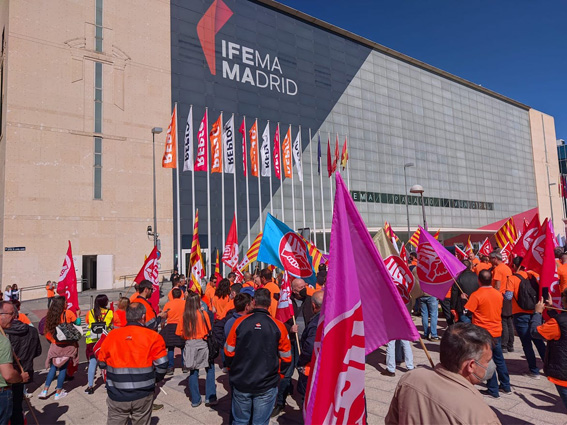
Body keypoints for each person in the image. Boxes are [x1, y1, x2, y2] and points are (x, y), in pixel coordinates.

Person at [385, 322, 500, 425]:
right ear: (471, 365)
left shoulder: (410, 378)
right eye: (488, 361)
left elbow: (391, 421)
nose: (490, 365)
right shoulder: (483, 417)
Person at [224, 288, 292, 425]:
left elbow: (228, 352)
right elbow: (287, 358)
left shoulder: (239, 322)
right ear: (269, 304)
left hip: (242, 381)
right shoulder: (278, 326)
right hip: (266, 384)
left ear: (254, 302)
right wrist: (280, 375)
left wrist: (233, 370)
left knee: (240, 421)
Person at [97, 302, 168, 425]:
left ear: (127, 316)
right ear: (143, 317)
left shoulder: (112, 336)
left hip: (117, 393)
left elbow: (101, 363)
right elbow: (162, 365)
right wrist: (155, 378)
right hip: (143, 393)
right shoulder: (153, 336)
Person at [464, 270, 511, 398]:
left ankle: (493, 389)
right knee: (499, 359)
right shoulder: (498, 294)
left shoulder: (477, 294)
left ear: (479, 280)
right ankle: (506, 385)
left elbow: (467, 312)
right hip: (496, 330)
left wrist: (466, 300)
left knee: (487, 360)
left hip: (483, 333)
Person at [272, 278, 313, 416]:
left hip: (306, 344)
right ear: (294, 290)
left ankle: (305, 402)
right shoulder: (286, 301)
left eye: (304, 285)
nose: (304, 288)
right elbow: (279, 321)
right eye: (301, 286)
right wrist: (289, 328)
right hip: (291, 344)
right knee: (286, 374)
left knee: (306, 374)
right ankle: (280, 403)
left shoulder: (310, 299)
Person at [505, 257, 546, 377]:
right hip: (536, 312)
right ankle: (548, 368)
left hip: (520, 314)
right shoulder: (533, 275)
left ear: (514, 266)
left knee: (527, 344)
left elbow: (508, 297)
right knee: (539, 341)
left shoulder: (512, 279)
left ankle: (534, 371)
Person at [177, 291, 217, 407]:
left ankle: (195, 399)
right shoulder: (203, 314)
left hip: (190, 344)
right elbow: (209, 329)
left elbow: (180, 333)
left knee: (193, 371)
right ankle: (210, 397)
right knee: (210, 368)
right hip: (203, 343)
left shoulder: (184, 316)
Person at [530, 289, 567, 409]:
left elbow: (535, 332)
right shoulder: (559, 321)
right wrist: (551, 311)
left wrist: (537, 313)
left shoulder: (558, 322)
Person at [38, 296, 80, 400]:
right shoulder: (68, 313)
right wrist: (78, 315)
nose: (67, 303)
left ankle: (45, 390)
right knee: (63, 368)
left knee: (53, 367)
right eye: (65, 302)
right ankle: (58, 392)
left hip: (55, 344)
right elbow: (77, 323)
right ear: (63, 304)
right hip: (67, 345)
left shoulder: (51, 316)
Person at [1, 302, 33, 425]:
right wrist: (21, 378)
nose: (14, 317)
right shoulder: (3, 341)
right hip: (3, 392)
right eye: (11, 314)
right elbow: (8, 375)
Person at [296, 291, 323, 407]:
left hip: (313, 369)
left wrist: (301, 360)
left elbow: (310, 347)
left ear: (313, 305)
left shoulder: (317, 323)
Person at [84, 294, 114, 395]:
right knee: (106, 362)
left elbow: (87, 322)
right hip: (104, 340)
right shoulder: (110, 313)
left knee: (92, 363)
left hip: (92, 341)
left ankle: (90, 386)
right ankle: (107, 383)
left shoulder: (90, 312)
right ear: (105, 302)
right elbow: (111, 324)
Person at [490, 250, 514, 352]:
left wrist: (494, 298)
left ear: (495, 259)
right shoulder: (507, 267)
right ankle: (510, 344)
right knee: (509, 321)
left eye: (490, 258)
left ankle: (504, 345)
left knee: (503, 322)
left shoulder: (498, 269)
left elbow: (497, 285)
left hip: (501, 297)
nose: (489, 261)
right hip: (508, 296)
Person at [161, 288, 186, 375]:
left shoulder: (168, 304)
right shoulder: (185, 303)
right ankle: (185, 366)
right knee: (183, 346)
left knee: (170, 347)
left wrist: (162, 326)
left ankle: (170, 367)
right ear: (180, 295)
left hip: (170, 326)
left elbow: (163, 317)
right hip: (182, 326)